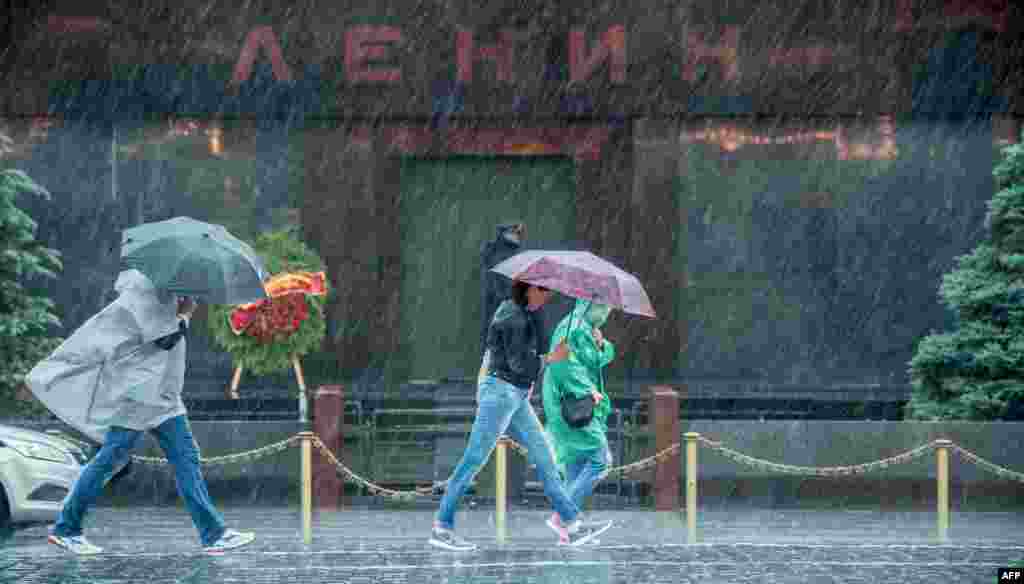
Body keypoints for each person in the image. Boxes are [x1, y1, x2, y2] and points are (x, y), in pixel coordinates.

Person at [26, 269, 254, 555]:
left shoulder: (164, 292)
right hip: (139, 394)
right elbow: (163, 338)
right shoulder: (144, 292)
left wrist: (181, 308)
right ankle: (66, 528)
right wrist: (185, 314)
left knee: (185, 458)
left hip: (163, 397)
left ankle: (213, 533)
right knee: (110, 459)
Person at [430, 281, 614, 551]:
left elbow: (516, 362)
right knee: (473, 460)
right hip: (501, 395)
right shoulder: (513, 317)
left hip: (513, 395)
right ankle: (442, 527)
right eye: (544, 291)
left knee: (545, 459)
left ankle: (572, 524)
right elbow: (520, 365)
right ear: (529, 289)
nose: (547, 298)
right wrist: (551, 358)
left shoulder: (521, 313)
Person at [541, 299, 616, 535]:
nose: (606, 312)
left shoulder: (585, 329)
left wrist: (601, 345)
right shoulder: (571, 327)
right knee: (599, 459)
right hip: (570, 403)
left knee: (576, 464)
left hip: (577, 402)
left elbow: (596, 360)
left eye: (609, 308)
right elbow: (561, 364)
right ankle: (562, 516)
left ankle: (568, 530)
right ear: (588, 304)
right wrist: (586, 389)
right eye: (603, 306)